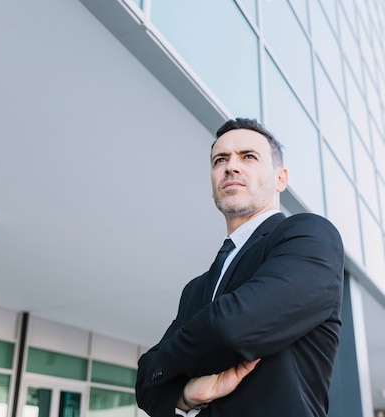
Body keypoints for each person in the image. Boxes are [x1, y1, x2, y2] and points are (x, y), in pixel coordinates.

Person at [135, 117, 344, 417]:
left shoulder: (309, 236)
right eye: (220, 160)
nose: (231, 166)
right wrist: (186, 395)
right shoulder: (195, 289)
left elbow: (230, 327)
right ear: (213, 187)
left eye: (248, 156)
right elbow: (144, 385)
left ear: (281, 178)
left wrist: (165, 363)